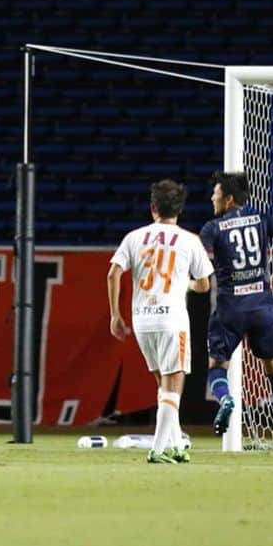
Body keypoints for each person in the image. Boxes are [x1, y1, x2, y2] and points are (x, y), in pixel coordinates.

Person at [107, 178, 213, 464]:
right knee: (173, 388)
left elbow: (113, 274)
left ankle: (177, 444)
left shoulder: (134, 237)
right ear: (180, 209)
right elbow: (204, 284)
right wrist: (187, 286)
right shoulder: (190, 240)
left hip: (142, 321)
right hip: (172, 320)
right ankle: (157, 449)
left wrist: (116, 315)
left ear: (152, 207)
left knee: (163, 387)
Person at [198, 171, 273, 435]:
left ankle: (226, 399)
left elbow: (199, 258)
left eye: (216, 194)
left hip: (230, 309)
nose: (212, 198)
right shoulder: (262, 219)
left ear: (228, 199)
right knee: (271, 362)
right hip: (263, 307)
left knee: (217, 366)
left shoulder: (213, 227)